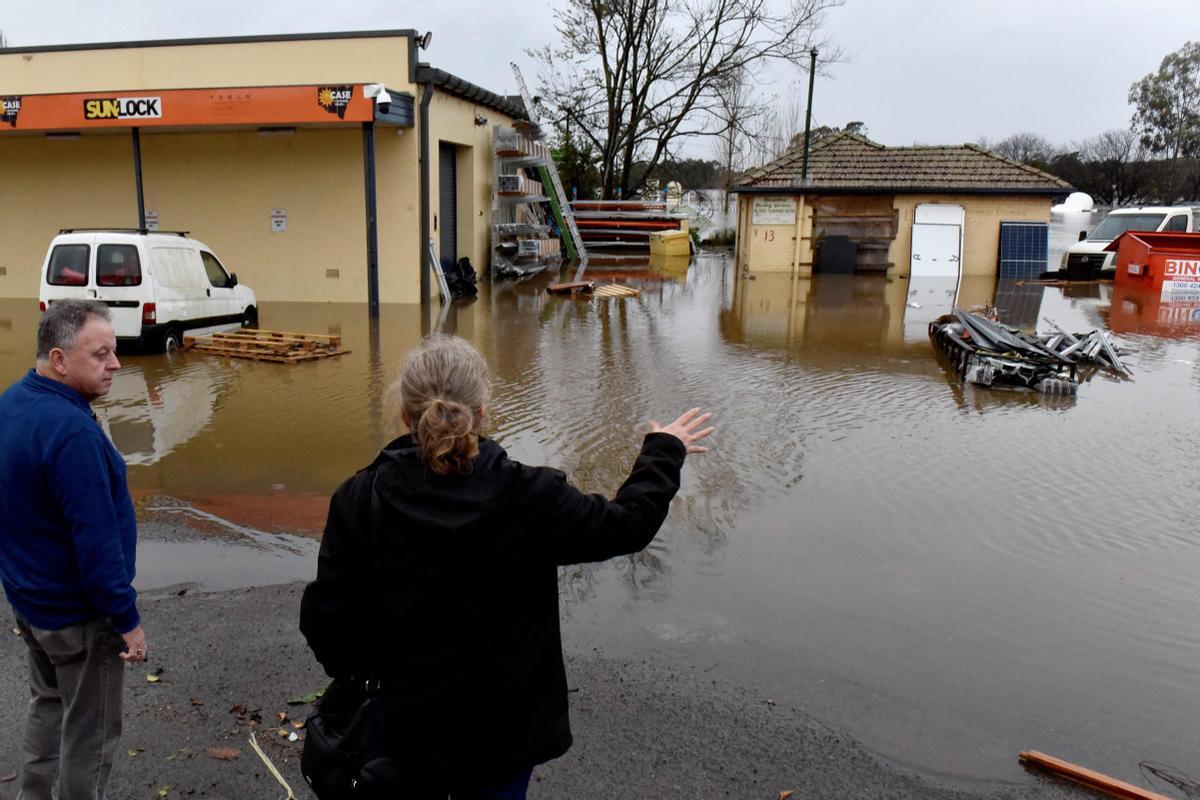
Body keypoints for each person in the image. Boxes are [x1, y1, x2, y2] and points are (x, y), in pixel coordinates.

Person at [300, 334, 712, 799]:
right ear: (482, 414)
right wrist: (663, 449)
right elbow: (627, 526)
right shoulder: (532, 498)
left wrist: (379, 676)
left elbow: (325, 623)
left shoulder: (360, 499)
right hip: (504, 738)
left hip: (400, 734)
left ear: (403, 415)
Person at [0, 299, 147, 800]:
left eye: (115, 351)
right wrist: (126, 619)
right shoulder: (71, 432)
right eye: (101, 354)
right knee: (91, 735)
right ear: (59, 359)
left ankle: (33, 794)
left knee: (47, 706)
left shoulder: (12, 402)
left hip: (32, 605)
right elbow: (97, 541)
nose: (116, 364)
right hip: (79, 617)